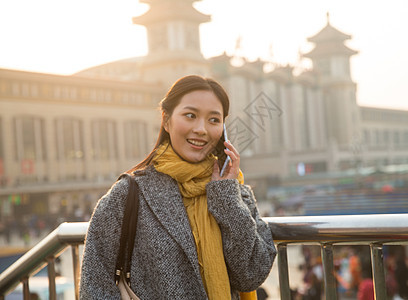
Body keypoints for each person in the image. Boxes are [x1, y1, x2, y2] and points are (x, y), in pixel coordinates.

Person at [79, 75, 277, 299]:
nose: (201, 129)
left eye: (213, 120)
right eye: (190, 115)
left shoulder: (234, 191)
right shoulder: (128, 194)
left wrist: (226, 198)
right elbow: (95, 286)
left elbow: (251, 276)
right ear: (166, 120)